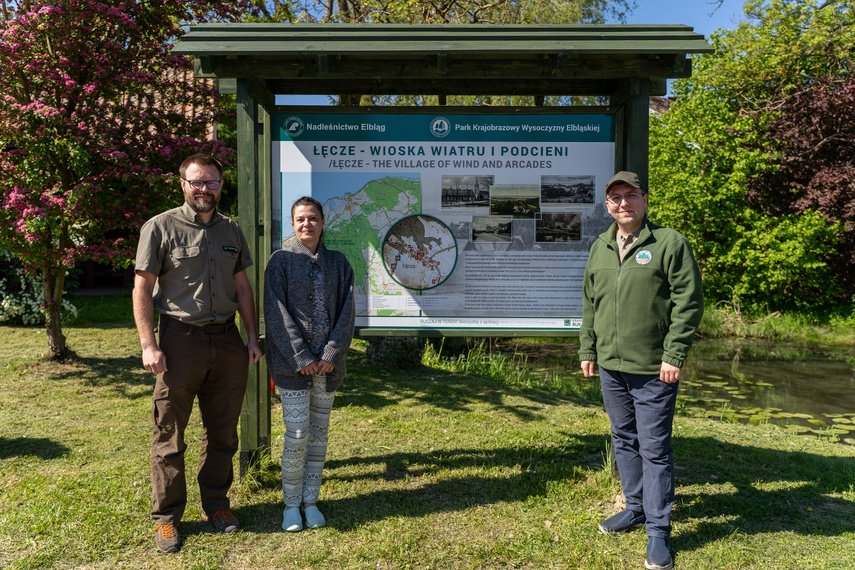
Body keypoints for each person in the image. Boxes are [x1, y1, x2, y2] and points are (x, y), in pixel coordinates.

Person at [133, 153, 263, 553]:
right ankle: (168, 518)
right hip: (179, 341)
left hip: (227, 341)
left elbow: (242, 288)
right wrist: (148, 345)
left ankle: (216, 505)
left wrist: (252, 338)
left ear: (221, 186)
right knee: (170, 432)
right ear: (182, 184)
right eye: (197, 182)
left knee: (223, 431)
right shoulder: (159, 227)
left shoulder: (232, 231)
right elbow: (142, 288)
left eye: (212, 183)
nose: (204, 189)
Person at [579, 171, 703, 570]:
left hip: (654, 368)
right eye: (615, 198)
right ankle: (634, 508)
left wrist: (674, 354)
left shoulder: (669, 243)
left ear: (645, 200)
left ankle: (659, 532)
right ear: (607, 206)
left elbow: (689, 303)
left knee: (654, 447)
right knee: (623, 439)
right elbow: (589, 304)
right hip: (612, 368)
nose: (623, 204)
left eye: (631, 196)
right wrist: (588, 348)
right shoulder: (599, 246)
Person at [264, 196, 355, 532]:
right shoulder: (280, 262)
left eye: (313, 218)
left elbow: (347, 313)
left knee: (319, 434)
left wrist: (331, 355)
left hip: (328, 368)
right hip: (293, 368)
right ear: (292, 224)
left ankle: (311, 500)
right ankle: (290, 504)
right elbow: (275, 313)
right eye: (300, 219)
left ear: (322, 222)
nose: (307, 224)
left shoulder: (339, 263)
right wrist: (301, 357)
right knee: (298, 432)